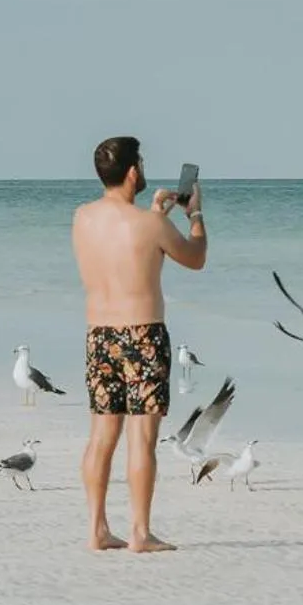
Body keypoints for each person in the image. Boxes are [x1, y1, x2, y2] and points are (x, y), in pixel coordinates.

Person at [71, 135, 207, 552]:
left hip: (99, 335)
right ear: (133, 172)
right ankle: (140, 533)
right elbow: (195, 256)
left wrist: (153, 215)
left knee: (101, 435)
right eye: (142, 163)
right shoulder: (151, 226)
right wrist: (195, 213)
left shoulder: (82, 218)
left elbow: (124, 249)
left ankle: (97, 528)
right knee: (142, 439)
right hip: (143, 335)